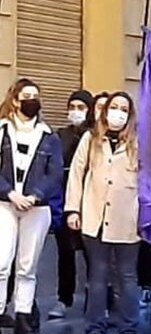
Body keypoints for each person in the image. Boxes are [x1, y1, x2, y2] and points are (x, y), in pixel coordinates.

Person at [66, 91, 142, 334]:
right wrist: (72, 210)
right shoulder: (91, 139)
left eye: (123, 108)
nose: (118, 113)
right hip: (95, 217)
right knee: (97, 276)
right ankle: (95, 327)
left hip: (128, 220)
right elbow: (76, 175)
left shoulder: (138, 143)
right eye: (114, 107)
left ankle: (129, 327)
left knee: (127, 276)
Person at [0, 79, 64, 334]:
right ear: (15, 100)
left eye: (36, 96)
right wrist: (10, 193)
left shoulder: (49, 135)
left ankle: (23, 319)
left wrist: (35, 195)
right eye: (27, 96)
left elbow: (55, 172)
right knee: (2, 264)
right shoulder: (2, 131)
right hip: (4, 205)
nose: (32, 101)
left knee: (28, 267)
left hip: (36, 209)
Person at [50, 89, 94, 320]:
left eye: (81, 107)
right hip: (65, 203)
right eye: (72, 107)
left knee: (93, 255)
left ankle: (96, 299)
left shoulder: (95, 135)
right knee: (65, 254)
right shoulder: (60, 135)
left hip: (91, 203)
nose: (75, 112)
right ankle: (63, 299)